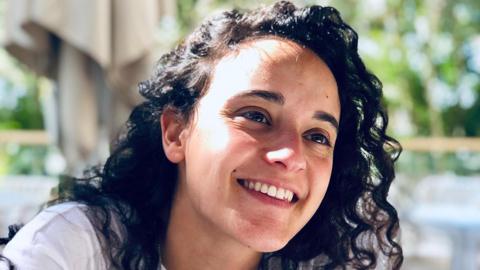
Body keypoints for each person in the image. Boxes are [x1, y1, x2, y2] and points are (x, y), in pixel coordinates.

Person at [0, 1, 403, 269]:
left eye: (317, 136)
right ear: (176, 131)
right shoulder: (75, 247)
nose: (290, 155)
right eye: (256, 115)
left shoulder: (336, 260)